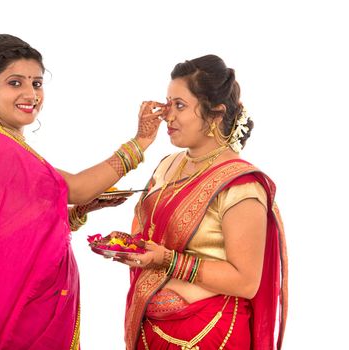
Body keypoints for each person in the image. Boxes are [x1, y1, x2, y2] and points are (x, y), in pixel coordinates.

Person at [0, 34, 166, 349]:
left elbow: (16, 224)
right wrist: (140, 142)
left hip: (12, 308)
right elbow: (76, 187)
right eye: (15, 83)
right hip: (15, 320)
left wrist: (79, 213)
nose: (30, 94)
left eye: (36, 83)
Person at [111, 55, 288, 349]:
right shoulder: (168, 164)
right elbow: (150, 233)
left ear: (215, 114)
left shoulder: (240, 185)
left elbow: (246, 281)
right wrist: (131, 247)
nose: (168, 116)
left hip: (210, 334)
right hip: (150, 329)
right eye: (168, 103)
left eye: (180, 106)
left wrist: (167, 261)